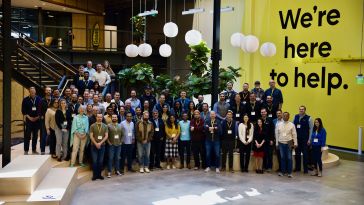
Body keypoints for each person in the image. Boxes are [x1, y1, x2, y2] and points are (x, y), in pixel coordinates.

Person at [276, 112, 298, 178]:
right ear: (282, 116)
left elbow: (294, 134)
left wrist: (296, 143)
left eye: (286, 116)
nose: (285, 117)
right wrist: (277, 143)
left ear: (289, 117)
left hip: (289, 142)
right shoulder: (279, 124)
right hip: (281, 142)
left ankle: (290, 173)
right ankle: (283, 172)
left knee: (289, 158)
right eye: (284, 115)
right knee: (282, 158)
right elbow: (277, 134)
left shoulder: (292, 125)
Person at [293, 106, 313, 174]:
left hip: (305, 139)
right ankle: (297, 168)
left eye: (302, 109)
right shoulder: (295, 116)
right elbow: (293, 128)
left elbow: (311, 129)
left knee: (305, 154)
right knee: (297, 154)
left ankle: (305, 169)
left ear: (305, 110)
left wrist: (309, 139)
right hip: (297, 139)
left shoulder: (309, 118)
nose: (301, 110)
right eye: (300, 109)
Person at [22, 87, 42, 155]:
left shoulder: (39, 99)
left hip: (37, 120)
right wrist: (29, 117)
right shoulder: (25, 100)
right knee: (27, 135)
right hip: (29, 120)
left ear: (35, 92)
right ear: (29, 92)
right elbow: (23, 110)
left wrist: (37, 117)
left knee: (35, 136)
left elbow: (41, 110)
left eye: (33, 92)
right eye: (31, 92)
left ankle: (34, 150)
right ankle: (26, 150)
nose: (32, 93)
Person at [89, 113, 109, 180]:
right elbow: (91, 136)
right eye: (98, 117)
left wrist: (100, 143)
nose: (99, 118)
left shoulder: (105, 126)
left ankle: (99, 175)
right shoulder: (92, 126)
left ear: (102, 118)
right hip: (93, 146)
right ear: (96, 118)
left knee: (100, 161)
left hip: (102, 146)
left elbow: (106, 136)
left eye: (101, 117)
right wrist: (96, 143)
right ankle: (94, 175)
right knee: (94, 161)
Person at [261, 108, 275, 172]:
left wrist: (272, 140)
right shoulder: (260, 120)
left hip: (269, 140)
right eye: (262, 112)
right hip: (262, 141)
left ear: (266, 113)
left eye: (264, 112)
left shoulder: (270, 120)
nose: (263, 113)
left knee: (269, 154)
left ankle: (270, 167)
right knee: (264, 154)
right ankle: (264, 166)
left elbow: (272, 131)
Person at [40, 87, 52, 155]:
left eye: (49, 90)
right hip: (44, 121)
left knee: (51, 136)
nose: (48, 91)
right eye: (47, 90)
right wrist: (41, 116)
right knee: (43, 136)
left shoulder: (53, 100)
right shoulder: (42, 100)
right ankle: (42, 150)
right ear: (45, 91)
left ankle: (51, 150)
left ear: (51, 91)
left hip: (52, 121)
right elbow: (39, 110)